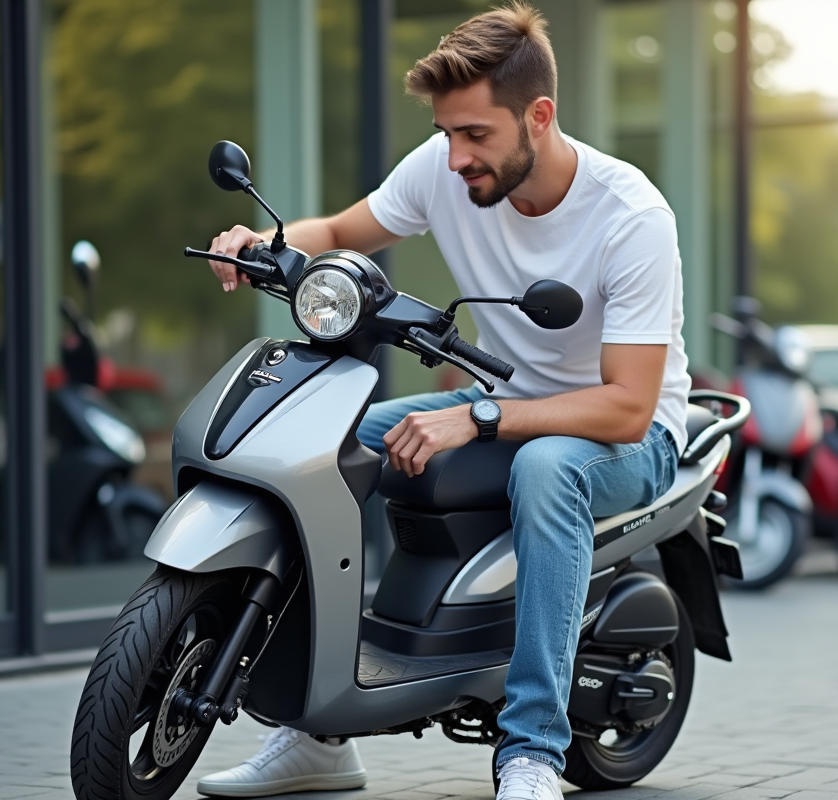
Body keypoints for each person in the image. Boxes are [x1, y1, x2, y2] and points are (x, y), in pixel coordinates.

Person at [199, 4, 689, 799]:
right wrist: (268, 246)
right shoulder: (443, 167)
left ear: (539, 116)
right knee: (323, 444)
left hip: (626, 438)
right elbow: (344, 228)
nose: (455, 156)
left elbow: (627, 407)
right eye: (447, 132)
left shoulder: (629, 218)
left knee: (548, 471)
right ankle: (318, 731)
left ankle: (533, 751)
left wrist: (480, 413)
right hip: (509, 411)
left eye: (475, 134)